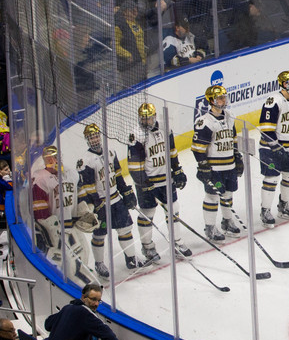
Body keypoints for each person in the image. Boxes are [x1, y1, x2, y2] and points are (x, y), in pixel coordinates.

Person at [127, 103, 192, 262]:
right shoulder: (136, 136)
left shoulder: (165, 128)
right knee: (148, 214)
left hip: (165, 178)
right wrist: (143, 183)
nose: (146, 121)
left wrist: (177, 170)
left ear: (154, 117)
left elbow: (172, 152)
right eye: (143, 118)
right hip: (147, 181)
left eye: (149, 118)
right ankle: (147, 246)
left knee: (173, 208)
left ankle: (177, 243)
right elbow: (134, 165)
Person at [78, 124, 143, 279]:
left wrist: (125, 191)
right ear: (87, 140)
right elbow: (88, 186)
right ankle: (99, 263)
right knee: (99, 235)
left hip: (116, 199)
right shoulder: (85, 161)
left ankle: (131, 259)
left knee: (125, 228)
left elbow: (118, 175)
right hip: (100, 204)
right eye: (91, 137)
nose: (94, 139)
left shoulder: (110, 152)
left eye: (96, 136)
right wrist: (97, 204)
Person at [31, 144, 100, 284]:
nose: (55, 161)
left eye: (57, 157)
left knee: (83, 253)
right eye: (51, 158)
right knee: (63, 263)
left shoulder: (70, 173)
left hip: (72, 226)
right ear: (45, 161)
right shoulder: (40, 179)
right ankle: (71, 289)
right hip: (55, 231)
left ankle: (82, 286)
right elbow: (40, 213)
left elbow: (79, 195)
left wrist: (84, 212)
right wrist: (51, 231)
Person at [191, 86, 246, 237]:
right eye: (219, 98)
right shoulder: (205, 122)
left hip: (229, 164)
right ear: (211, 101)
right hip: (215, 168)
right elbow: (198, 148)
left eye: (224, 97)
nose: (223, 100)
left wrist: (237, 156)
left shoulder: (229, 116)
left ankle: (227, 221)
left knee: (228, 194)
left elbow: (233, 138)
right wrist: (203, 166)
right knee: (213, 196)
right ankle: (210, 227)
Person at [257, 72, 289, 224]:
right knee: (271, 178)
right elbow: (266, 128)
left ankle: (283, 205)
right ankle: (265, 210)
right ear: (283, 84)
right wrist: (276, 147)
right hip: (270, 149)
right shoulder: (273, 101)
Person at [44, 284, 122, 340]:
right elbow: (108, 335)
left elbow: (47, 325)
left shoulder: (68, 307)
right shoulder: (86, 313)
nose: (96, 304)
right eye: (93, 299)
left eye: (99, 301)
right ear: (84, 297)